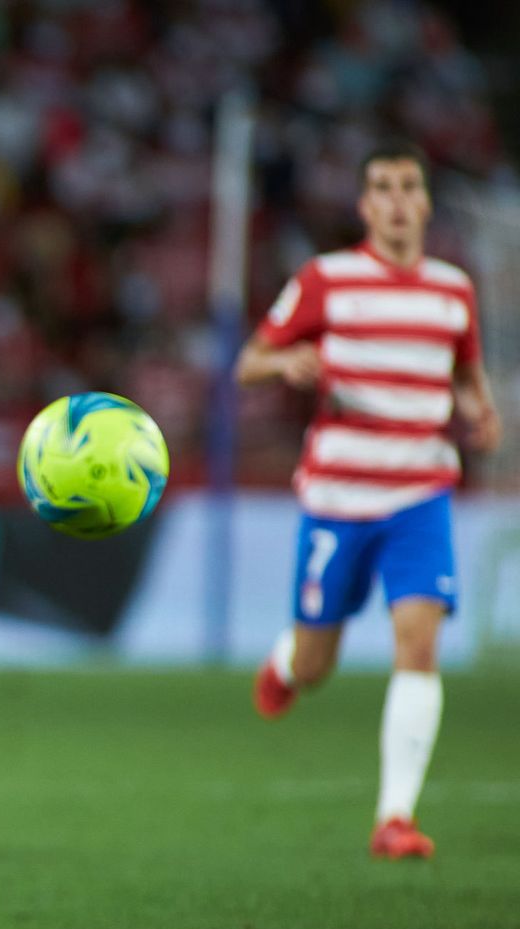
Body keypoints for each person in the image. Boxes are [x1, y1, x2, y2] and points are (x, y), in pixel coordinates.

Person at [235, 141, 501, 860]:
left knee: (418, 642)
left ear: (423, 202)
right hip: (339, 494)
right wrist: (286, 360)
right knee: (319, 660)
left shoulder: (453, 289)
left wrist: (481, 408)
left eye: (406, 186)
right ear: (363, 205)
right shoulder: (327, 279)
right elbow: (248, 360)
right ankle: (290, 661)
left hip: (420, 491)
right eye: (380, 187)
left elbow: (469, 372)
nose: (394, 199)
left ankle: (395, 817)